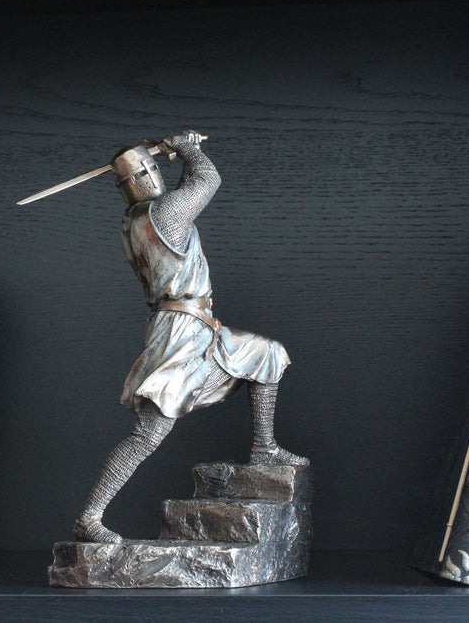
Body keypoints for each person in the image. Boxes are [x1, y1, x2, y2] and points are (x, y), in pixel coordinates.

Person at [73, 130, 307, 544]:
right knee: (149, 433)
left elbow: (184, 198)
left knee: (268, 354)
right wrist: (188, 147)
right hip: (180, 334)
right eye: (145, 171)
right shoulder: (164, 214)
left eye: (153, 168)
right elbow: (207, 180)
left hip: (197, 326)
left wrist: (182, 156)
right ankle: (89, 518)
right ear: (134, 179)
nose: (153, 176)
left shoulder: (136, 218)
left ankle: (264, 448)